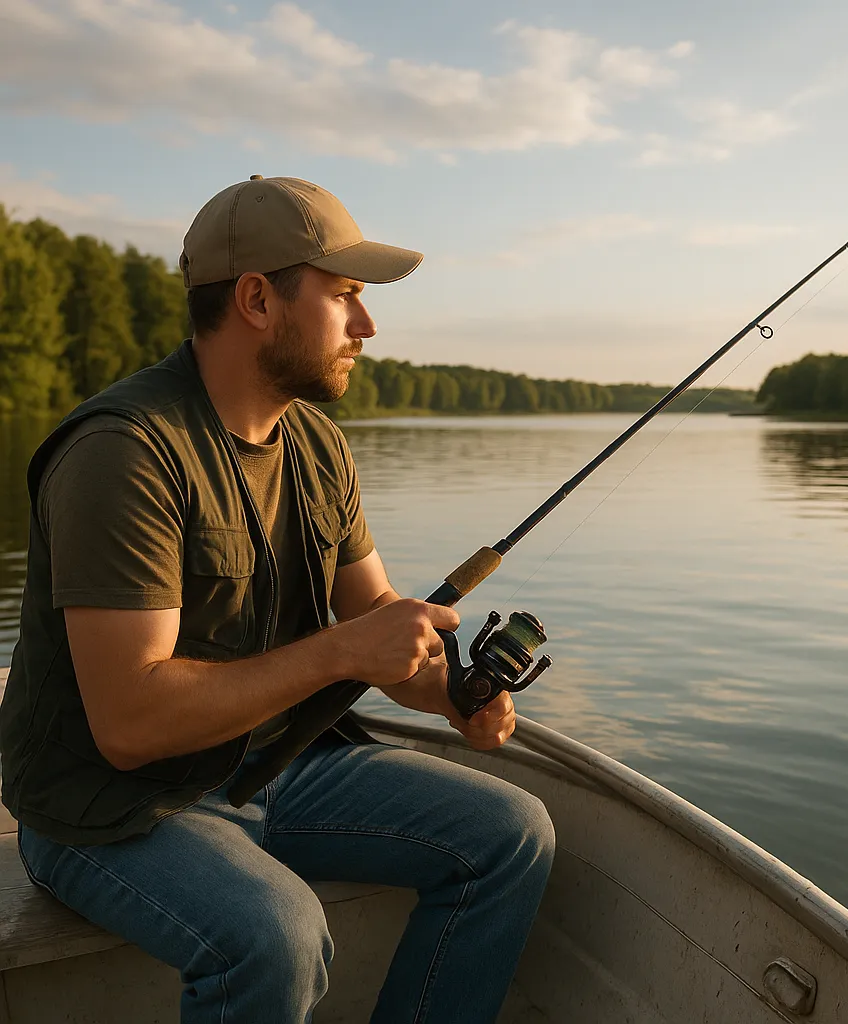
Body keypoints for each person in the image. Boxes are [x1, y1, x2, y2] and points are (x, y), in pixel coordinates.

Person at [0, 176, 556, 1024]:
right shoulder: (126, 453)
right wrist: (340, 652)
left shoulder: (319, 447)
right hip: (106, 808)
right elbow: (128, 726)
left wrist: (453, 696)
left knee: (513, 834)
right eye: (345, 298)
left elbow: (373, 625)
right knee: (275, 930)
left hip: (273, 766)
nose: (367, 327)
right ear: (257, 299)